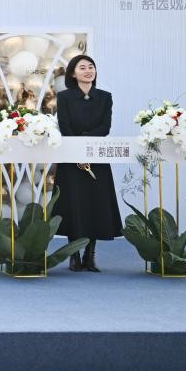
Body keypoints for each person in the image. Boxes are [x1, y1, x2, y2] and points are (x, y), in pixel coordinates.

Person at [54, 54, 122, 272]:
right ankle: (73, 255)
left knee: (95, 205)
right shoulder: (64, 97)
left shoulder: (104, 97)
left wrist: (86, 144)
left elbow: (105, 127)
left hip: (96, 157)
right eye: (82, 67)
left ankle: (89, 256)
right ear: (73, 74)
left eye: (91, 67)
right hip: (71, 159)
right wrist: (78, 150)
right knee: (73, 205)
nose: (88, 71)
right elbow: (64, 126)